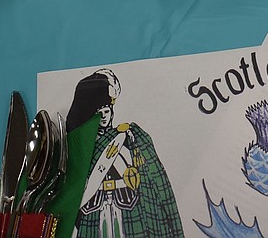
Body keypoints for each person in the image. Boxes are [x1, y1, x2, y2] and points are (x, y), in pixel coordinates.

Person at [69, 68, 183, 238]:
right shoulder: (82, 146)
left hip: (128, 205)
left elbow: (156, 179)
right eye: (99, 113)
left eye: (107, 111)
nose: (104, 117)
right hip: (93, 208)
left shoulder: (129, 136)